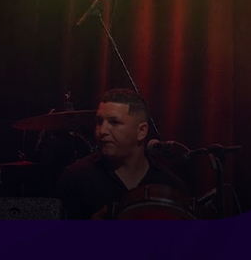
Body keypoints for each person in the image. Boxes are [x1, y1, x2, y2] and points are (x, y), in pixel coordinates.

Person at [55, 88, 189, 219]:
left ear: (141, 131)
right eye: (99, 122)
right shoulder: (75, 179)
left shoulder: (170, 186)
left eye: (114, 122)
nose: (102, 130)